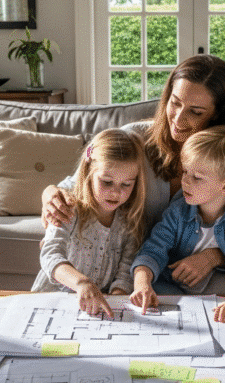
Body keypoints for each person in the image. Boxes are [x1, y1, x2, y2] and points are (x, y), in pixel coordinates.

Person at [41, 54, 225, 294]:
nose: (178, 118)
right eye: (175, 103)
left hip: (186, 274)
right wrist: (50, 195)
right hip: (130, 270)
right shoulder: (133, 140)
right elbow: (78, 185)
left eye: (195, 112)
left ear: (216, 115)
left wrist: (213, 257)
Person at [129, 125, 225, 323]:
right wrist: (142, 283)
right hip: (174, 284)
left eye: (197, 177)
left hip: (220, 290)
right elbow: (152, 251)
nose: (185, 181)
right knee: (152, 292)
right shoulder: (177, 212)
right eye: (185, 172)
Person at [31, 129, 147, 317]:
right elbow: (50, 255)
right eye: (107, 182)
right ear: (89, 172)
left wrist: (116, 302)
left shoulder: (130, 221)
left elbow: (125, 273)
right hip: (51, 302)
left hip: (94, 309)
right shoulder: (69, 207)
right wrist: (82, 283)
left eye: (126, 184)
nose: (116, 192)